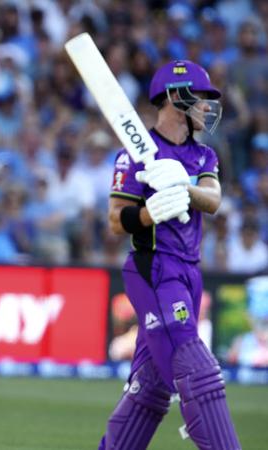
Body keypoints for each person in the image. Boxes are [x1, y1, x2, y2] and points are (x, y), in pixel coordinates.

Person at [102, 60, 240, 449]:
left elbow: (212, 200)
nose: (207, 107)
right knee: (198, 369)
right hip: (153, 268)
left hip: (188, 274)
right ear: (177, 97)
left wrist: (183, 187)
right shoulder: (134, 155)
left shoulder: (203, 157)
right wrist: (149, 212)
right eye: (202, 99)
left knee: (150, 390)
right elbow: (116, 221)